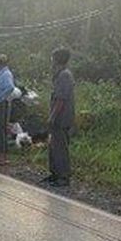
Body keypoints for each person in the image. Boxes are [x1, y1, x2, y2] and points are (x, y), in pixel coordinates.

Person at [45, 48, 75, 187]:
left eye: (52, 58)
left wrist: (52, 116)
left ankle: (63, 177)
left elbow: (60, 100)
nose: (51, 61)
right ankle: (54, 173)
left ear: (57, 59)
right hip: (58, 116)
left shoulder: (64, 75)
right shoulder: (59, 74)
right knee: (53, 146)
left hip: (61, 118)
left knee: (60, 147)